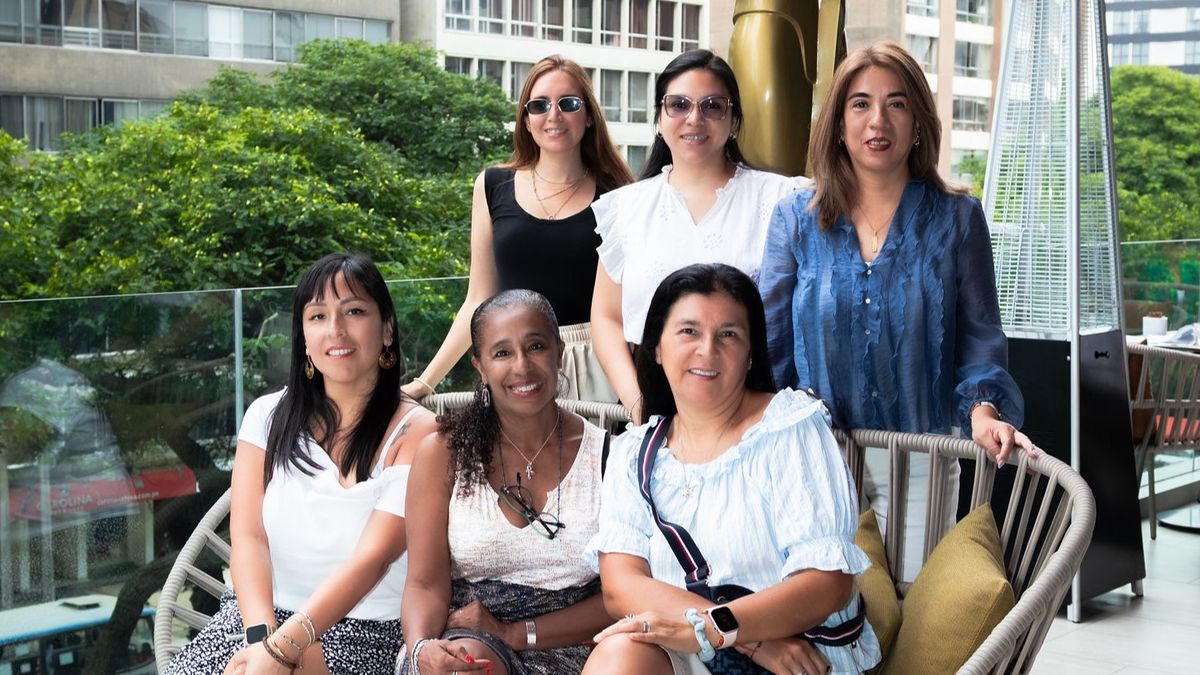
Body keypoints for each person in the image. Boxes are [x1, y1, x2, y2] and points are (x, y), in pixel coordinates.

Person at [758, 42, 1036, 539]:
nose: (878, 121)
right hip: (814, 452)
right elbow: (770, 343)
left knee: (911, 590)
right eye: (860, 104)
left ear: (919, 123)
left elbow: (979, 336)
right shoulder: (794, 219)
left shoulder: (958, 219)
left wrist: (983, 412)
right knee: (823, 588)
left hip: (922, 455)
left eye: (897, 104)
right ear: (838, 124)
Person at [583, 264, 881, 675]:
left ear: (751, 355)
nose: (707, 350)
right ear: (656, 348)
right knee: (619, 655)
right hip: (699, 650)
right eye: (688, 331)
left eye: (728, 334)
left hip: (795, 656)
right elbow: (621, 587)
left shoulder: (789, 427)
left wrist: (718, 630)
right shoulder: (634, 451)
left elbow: (828, 583)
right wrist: (745, 639)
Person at [164, 253, 437, 675]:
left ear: (387, 328)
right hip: (256, 618)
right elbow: (249, 537)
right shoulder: (266, 416)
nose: (336, 329)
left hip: (366, 631)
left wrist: (281, 650)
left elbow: (373, 559)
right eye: (318, 316)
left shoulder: (419, 434)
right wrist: (260, 638)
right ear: (304, 338)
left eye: (354, 311)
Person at [400, 290, 612, 675]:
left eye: (536, 347)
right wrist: (422, 651)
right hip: (469, 638)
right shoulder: (444, 453)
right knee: (466, 666)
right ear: (479, 366)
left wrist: (515, 633)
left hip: (578, 642)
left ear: (560, 352)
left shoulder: (608, 456)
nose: (522, 366)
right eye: (502, 353)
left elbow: (620, 596)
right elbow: (424, 584)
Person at [590, 49, 805, 423]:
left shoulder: (780, 199)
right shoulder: (626, 208)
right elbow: (607, 318)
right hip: (655, 411)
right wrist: (640, 406)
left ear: (734, 120)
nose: (694, 118)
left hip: (752, 412)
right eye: (678, 105)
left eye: (712, 106)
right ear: (659, 118)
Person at [403, 55, 633, 404]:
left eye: (568, 103)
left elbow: (624, 309)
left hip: (596, 366)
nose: (553, 115)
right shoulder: (493, 185)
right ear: (525, 120)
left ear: (588, 116)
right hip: (513, 363)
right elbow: (478, 299)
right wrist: (426, 382)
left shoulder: (618, 196)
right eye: (539, 105)